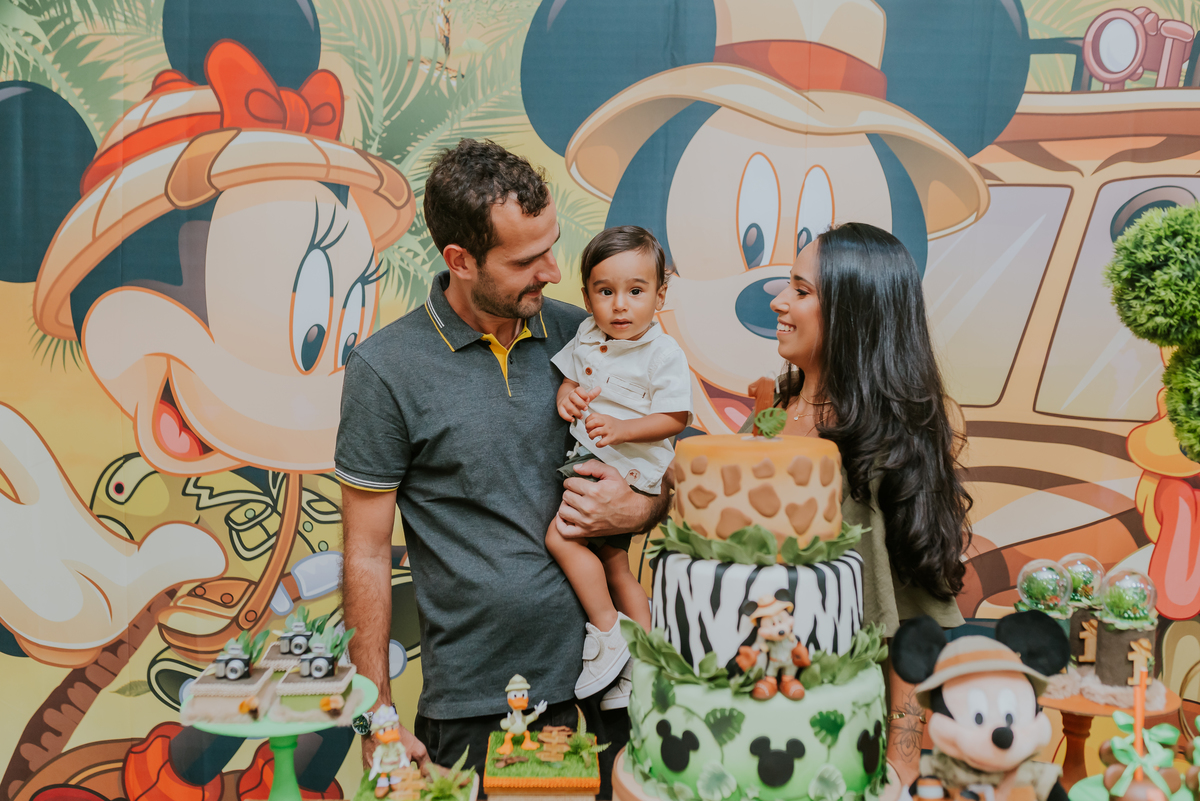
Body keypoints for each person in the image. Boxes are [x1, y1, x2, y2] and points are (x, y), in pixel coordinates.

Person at [335, 139, 669, 785]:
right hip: (478, 709)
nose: (552, 269)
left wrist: (642, 504)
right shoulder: (386, 369)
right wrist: (373, 714)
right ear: (460, 260)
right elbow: (367, 553)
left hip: (611, 690)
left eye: (552, 244)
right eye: (526, 258)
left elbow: (677, 461)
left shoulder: (591, 332)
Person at [753, 222, 972, 799]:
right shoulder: (776, 412)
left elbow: (916, 617)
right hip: (756, 697)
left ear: (854, 312)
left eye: (802, 291)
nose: (778, 300)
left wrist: (902, 761)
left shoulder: (887, 444)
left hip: (844, 722)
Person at [547, 226, 692, 706]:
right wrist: (567, 398)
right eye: (605, 292)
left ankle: (608, 632)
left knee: (560, 537)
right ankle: (649, 663)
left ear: (659, 295)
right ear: (587, 297)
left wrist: (621, 429)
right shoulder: (588, 334)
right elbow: (569, 382)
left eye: (636, 291)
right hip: (596, 454)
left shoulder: (662, 352)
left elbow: (675, 417)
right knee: (614, 562)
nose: (620, 306)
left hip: (627, 467)